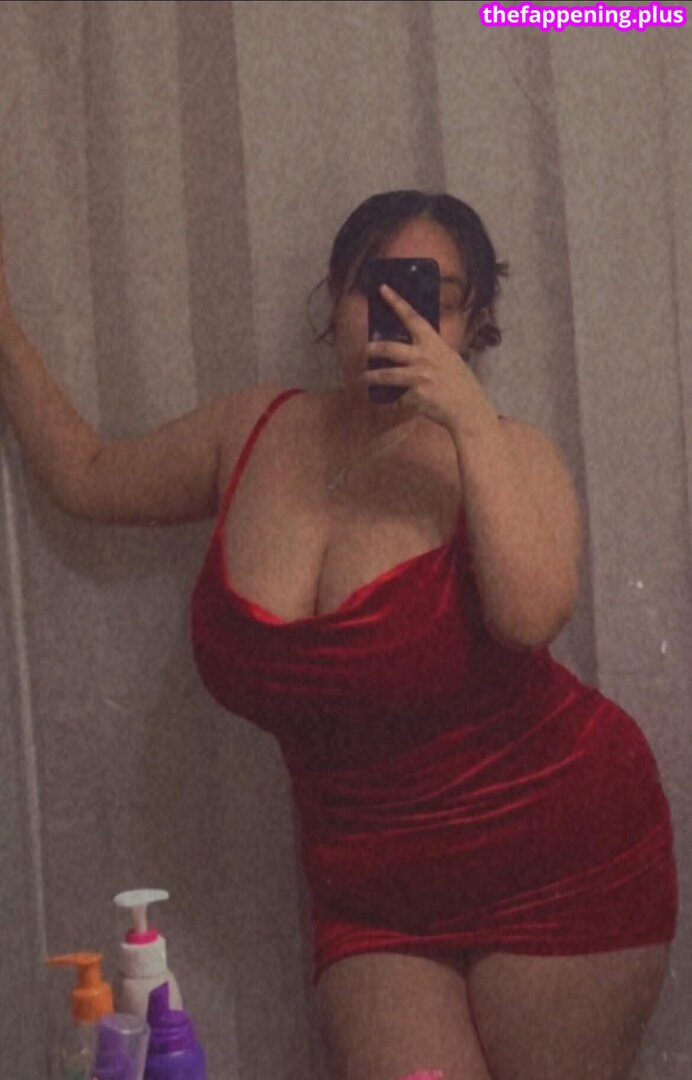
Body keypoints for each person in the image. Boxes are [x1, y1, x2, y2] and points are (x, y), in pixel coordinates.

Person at [0, 190, 678, 1080]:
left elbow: (529, 616)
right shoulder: (252, 432)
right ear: (334, 297)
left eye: (432, 298)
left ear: (474, 322)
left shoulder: (509, 452)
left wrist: (467, 419)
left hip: (552, 855)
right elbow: (87, 476)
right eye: (373, 288)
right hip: (369, 894)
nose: (397, 317)